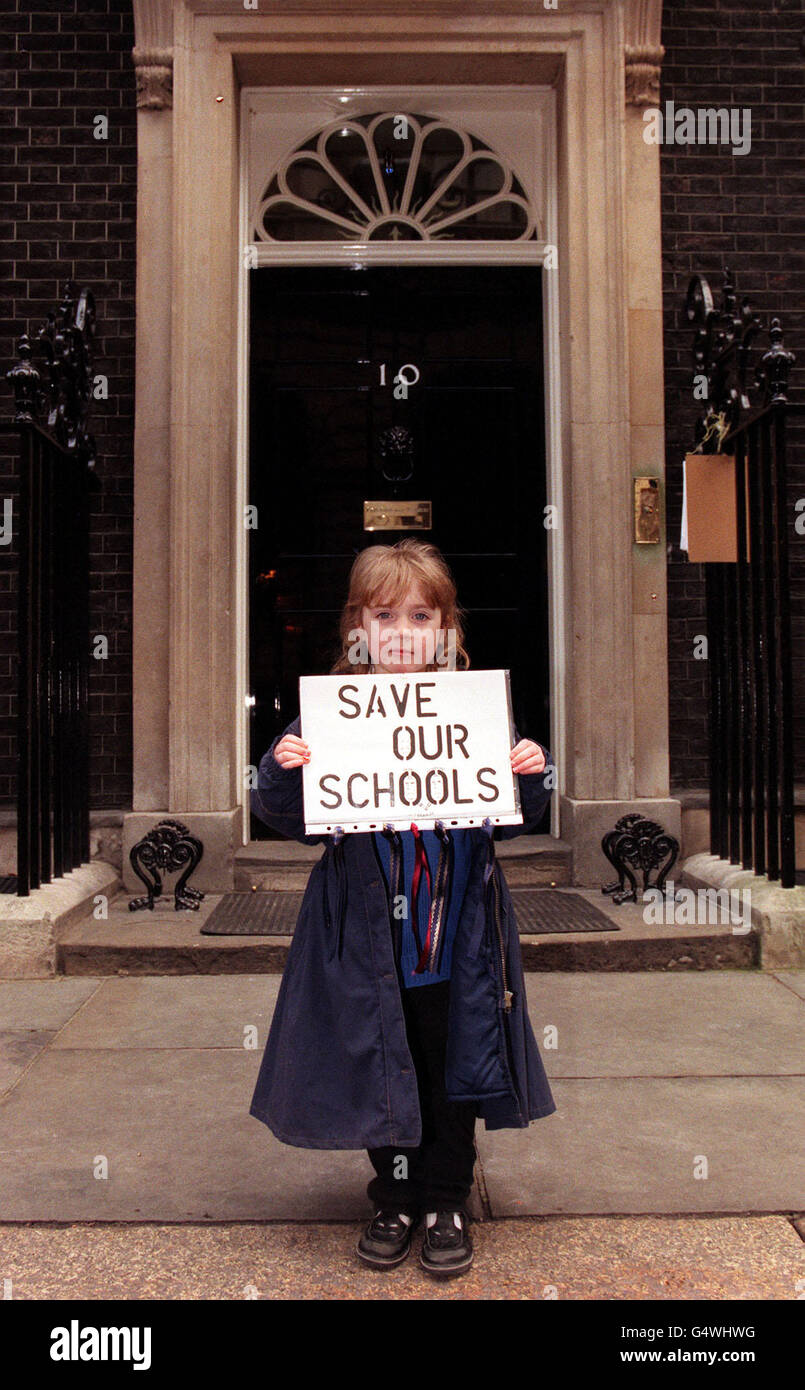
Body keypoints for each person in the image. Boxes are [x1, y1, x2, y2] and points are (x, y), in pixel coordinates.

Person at [249, 539, 557, 1278]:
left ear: (445, 630)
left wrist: (531, 772)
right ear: (358, 625)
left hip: (453, 933)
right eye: (383, 614)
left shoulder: (474, 714)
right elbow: (285, 815)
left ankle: (446, 1195)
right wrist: (283, 772)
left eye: (420, 615)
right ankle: (392, 1197)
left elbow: (514, 813)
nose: (401, 631)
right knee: (380, 1063)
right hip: (364, 939)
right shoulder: (330, 716)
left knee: (452, 1064)